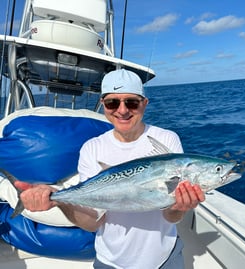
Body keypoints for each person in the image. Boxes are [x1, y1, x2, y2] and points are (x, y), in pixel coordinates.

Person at [15, 69, 205, 269]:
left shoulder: (166, 139)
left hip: (165, 258)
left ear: (144, 104)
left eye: (131, 102)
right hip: (111, 262)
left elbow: (170, 216)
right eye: (112, 102)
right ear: (103, 105)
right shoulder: (93, 148)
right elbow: (94, 222)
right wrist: (58, 200)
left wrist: (178, 207)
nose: (122, 110)